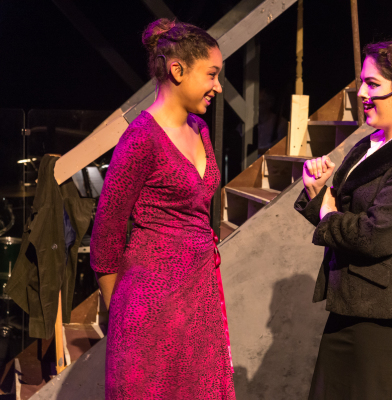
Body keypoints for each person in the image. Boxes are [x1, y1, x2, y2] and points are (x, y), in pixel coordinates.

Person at [294, 40, 392, 400]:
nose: (362, 93)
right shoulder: (368, 145)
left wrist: (327, 210)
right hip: (352, 304)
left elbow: (375, 235)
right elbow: (341, 214)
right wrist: (319, 193)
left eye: (373, 84)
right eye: (362, 83)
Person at [90, 19, 235, 399]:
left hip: (199, 303)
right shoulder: (141, 138)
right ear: (177, 70)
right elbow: (105, 237)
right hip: (150, 308)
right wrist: (125, 317)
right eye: (211, 75)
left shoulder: (200, 130)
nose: (218, 86)